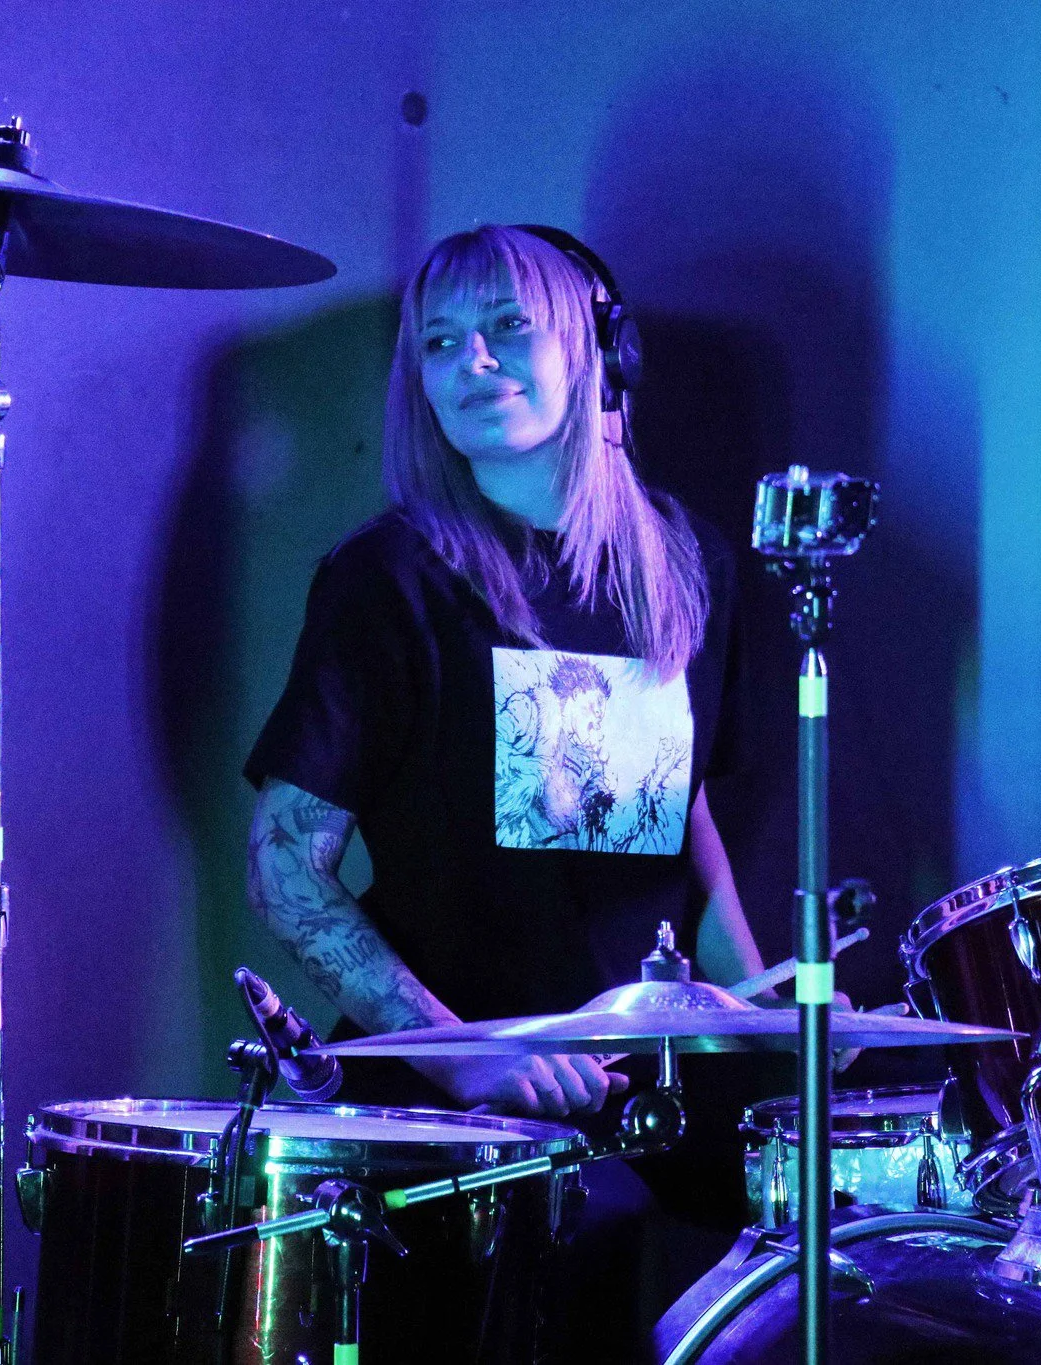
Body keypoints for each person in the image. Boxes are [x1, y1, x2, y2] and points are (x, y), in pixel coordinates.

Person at [242, 224, 785, 1354]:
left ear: (598, 351)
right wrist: (467, 1055)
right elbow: (285, 864)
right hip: (459, 1109)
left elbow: (681, 813)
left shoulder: (687, 563)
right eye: (440, 342)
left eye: (505, 328)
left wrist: (760, 1018)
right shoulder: (390, 577)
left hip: (653, 1083)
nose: (471, 363)